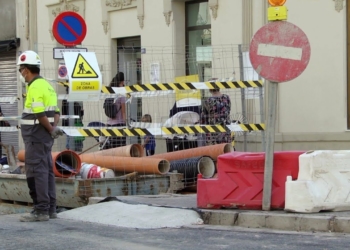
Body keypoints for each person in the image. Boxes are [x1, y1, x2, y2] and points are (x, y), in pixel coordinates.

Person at [17, 50, 64, 222]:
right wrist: (53, 128)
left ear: (26, 70)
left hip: (36, 137)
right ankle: (50, 208)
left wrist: (50, 129)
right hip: (44, 137)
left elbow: (38, 112)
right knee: (46, 171)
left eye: (20, 70)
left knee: (36, 172)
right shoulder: (47, 85)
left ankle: (41, 210)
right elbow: (56, 111)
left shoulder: (35, 87)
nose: (20, 74)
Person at [105, 72, 127, 148]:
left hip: (109, 124)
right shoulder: (121, 93)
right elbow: (123, 111)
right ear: (122, 81)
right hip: (119, 125)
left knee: (112, 148)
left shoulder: (110, 91)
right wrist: (125, 123)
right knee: (120, 149)